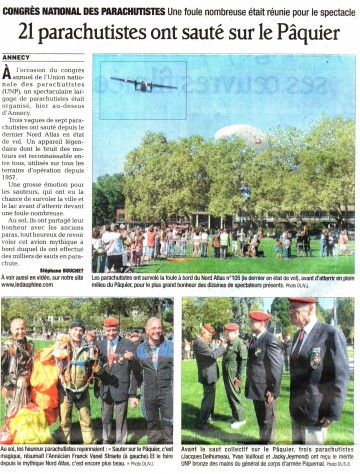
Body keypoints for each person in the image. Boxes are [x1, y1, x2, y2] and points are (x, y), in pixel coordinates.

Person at [288, 297, 350, 445]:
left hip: (316, 414)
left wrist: (332, 412)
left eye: (294, 307)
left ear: (310, 309)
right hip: (297, 411)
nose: (289, 312)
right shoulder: (298, 335)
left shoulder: (330, 334)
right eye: (289, 307)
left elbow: (340, 376)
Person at [56, 319, 103, 444]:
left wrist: (96, 364)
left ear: (83, 333)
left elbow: (98, 371)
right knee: (64, 421)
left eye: (80, 330)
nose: (78, 333)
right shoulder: (62, 347)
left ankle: (90, 446)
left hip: (82, 391)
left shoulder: (90, 349)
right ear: (70, 331)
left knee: (86, 421)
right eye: (75, 330)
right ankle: (63, 447)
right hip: (65, 390)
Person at [96, 318, 139, 444]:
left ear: (118, 329)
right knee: (105, 418)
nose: (111, 333)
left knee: (121, 420)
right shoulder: (99, 345)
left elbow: (135, 370)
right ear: (104, 330)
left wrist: (132, 393)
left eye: (114, 330)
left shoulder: (128, 344)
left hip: (121, 388)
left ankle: (120, 444)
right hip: (105, 389)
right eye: (108, 330)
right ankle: (106, 441)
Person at [245, 311, 283, 444]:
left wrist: (272, 390)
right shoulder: (255, 339)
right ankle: (262, 442)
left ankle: (267, 447)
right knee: (261, 419)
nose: (250, 324)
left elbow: (276, 368)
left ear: (262, 323)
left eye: (252, 322)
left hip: (266, 389)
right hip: (256, 387)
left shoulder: (270, 339)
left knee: (268, 420)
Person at [135, 317, 173, 444]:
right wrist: (132, 394)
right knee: (152, 424)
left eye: (159, 328)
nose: (157, 331)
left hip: (167, 391)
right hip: (149, 391)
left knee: (169, 424)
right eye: (153, 328)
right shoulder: (140, 349)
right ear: (146, 330)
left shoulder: (170, 346)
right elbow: (135, 373)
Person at [193, 324, 226, 430]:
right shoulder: (199, 343)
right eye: (209, 335)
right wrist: (223, 347)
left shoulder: (201, 341)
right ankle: (202, 423)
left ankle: (209, 416)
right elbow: (213, 355)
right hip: (208, 375)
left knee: (210, 397)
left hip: (209, 374)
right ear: (204, 332)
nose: (210, 338)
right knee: (208, 399)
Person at [1, 318, 34, 420]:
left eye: (22, 328)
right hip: (12, 389)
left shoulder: (30, 345)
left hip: (28, 388)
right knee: (12, 418)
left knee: (27, 418)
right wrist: (3, 386)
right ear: (11, 330)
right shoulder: (6, 347)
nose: (20, 332)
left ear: (26, 328)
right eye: (17, 329)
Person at [222, 323, 247, 429]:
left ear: (236, 332)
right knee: (230, 395)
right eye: (226, 333)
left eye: (229, 333)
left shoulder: (239, 343)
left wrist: (239, 377)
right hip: (227, 372)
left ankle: (241, 419)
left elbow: (243, 361)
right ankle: (235, 416)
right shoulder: (230, 342)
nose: (226, 335)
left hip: (233, 374)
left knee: (235, 395)